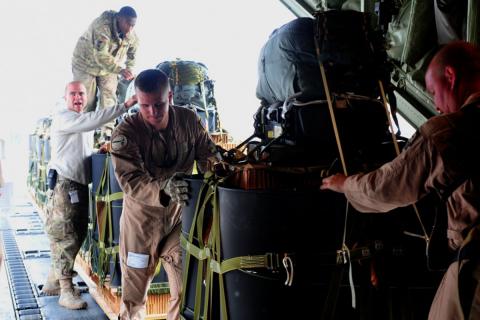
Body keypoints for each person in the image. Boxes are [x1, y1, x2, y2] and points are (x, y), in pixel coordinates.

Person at [320, 41, 480, 320]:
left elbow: (385, 188)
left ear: (451, 77)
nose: (437, 105)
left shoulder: (446, 133)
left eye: (433, 92)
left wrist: (344, 184)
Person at [110, 69, 216, 320]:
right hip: (141, 224)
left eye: (158, 105)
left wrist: (219, 169)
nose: (152, 112)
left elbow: (208, 156)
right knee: (134, 297)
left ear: (170, 97)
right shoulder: (125, 133)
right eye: (144, 106)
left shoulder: (189, 121)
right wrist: (163, 187)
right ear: (137, 101)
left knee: (185, 289)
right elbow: (131, 182)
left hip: (178, 219)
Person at [44, 81, 136, 309]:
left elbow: (80, 145)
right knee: (67, 236)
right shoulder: (65, 117)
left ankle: (55, 281)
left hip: (77, 185)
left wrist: (100, 151)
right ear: (65, 97)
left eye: (82, 93)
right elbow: (92, 120)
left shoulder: (78, 119)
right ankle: (65, 291)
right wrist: (125, 105)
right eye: (73, 93)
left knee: (76, 233)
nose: (78, 97)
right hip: (66, 185)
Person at [72, 6, 139, 112]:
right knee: (86, 102)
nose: (130, 28)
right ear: (119, 18)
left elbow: (132, 54)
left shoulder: (131, 35)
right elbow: (101, 56)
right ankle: (85, 128)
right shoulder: (102, 27)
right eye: (128, 23)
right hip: (85, 65)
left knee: (109, 101)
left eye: (133, 25)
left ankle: (108, 129)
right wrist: (121, 70)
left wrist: (129, 69)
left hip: (109, 68)